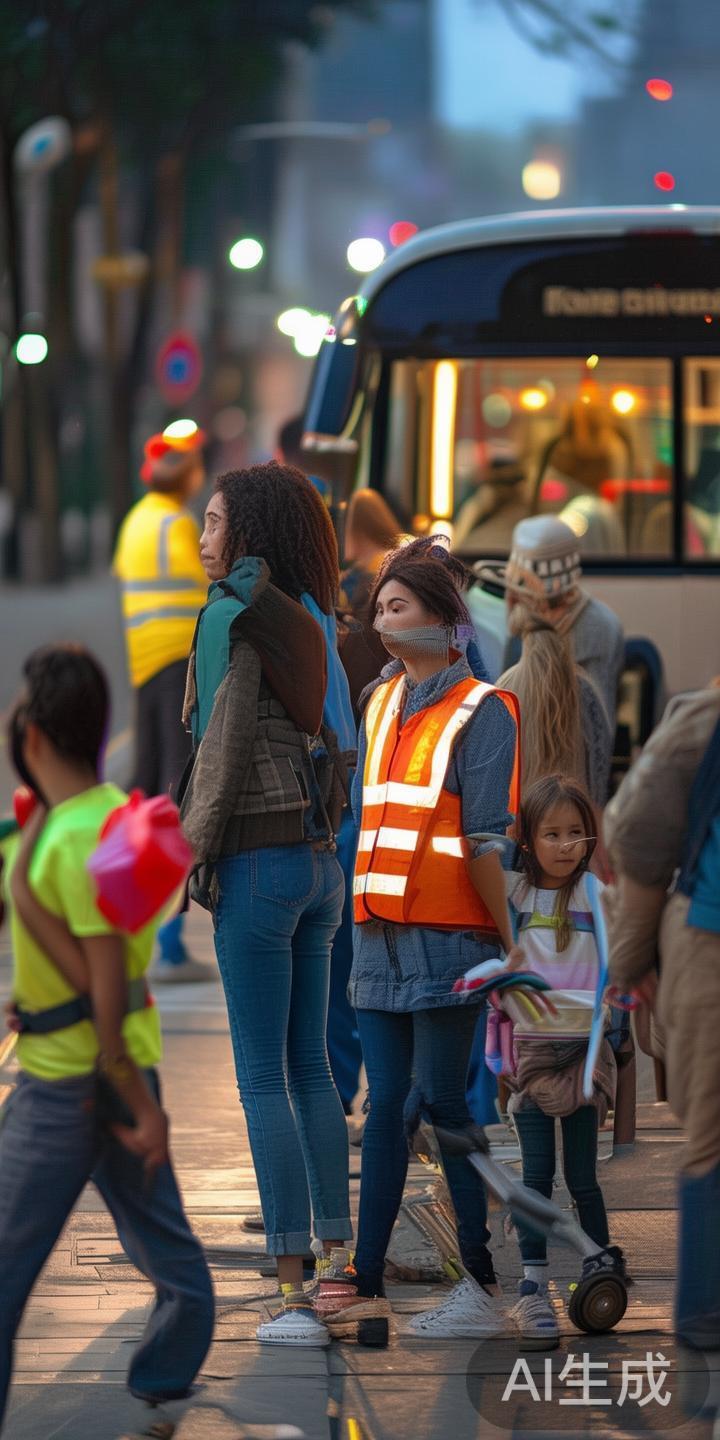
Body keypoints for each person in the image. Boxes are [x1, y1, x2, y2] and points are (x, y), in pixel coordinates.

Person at [324, 540, 547, 1341]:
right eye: (378, 606)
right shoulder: (379, 698)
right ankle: (365, 1277)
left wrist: (512, 944)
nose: (380, 619)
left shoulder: (484, 710)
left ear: (445, 621)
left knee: (444, 1104)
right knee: (387, 1107)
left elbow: (488, 841)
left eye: (397, 606)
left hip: (451, 943)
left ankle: (481, 1283)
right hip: (380, 939)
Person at [0, 645, 214, 1438]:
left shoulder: (64, 842)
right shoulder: (91, 820)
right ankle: (161, 1379)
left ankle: (162, 1382)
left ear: (32, 734)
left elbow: (101, 997)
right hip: (111, 1079)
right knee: (167, 1247)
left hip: (75, 1089)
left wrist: (138, 1107)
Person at [179, 462, 353, 1347]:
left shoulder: (233, 617)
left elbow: (223, 740)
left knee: (261, 1078)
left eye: (212, 524)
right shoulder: (310, 615)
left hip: (258, 863)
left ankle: (291, 1295)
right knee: (312, 1069)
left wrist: (190, 854)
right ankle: (335, 1271)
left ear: (245, 533)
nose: (202, 539)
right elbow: (338, 741)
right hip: (319, 864)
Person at [604, 681, 720, 1353]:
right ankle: (704, 1312)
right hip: (710, 946)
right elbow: (638, 834)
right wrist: (630, 957)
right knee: (711, 1132)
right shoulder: (708, 720)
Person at [503, 774, 621, 1348]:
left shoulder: (595, 894)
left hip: (585, 1049)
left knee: (581, 1177)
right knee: (534, 1177)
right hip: (530, 1050)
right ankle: (532, 1284)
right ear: (527, 840)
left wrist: (615, 1028)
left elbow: (616, 966)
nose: (566, 844)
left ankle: (598, 1268)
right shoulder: (516, 898)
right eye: (551, 833)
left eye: (576, 832)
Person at [112, 424, 209, 981]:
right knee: (180, 797)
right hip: (178, 665)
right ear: (188, 476)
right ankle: (169, 937)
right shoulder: (175, 522)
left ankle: (132, 926)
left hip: (144, 663)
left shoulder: (135, 521)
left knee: (146, 793)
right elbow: (204, 586)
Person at [474, 515, 625, 724]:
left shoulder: (598, 630)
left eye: (521, 595)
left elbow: (595, 727)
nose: (513, 602)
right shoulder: (527, 623)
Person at [497, 599, 613, 809]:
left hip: (522, 831)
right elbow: (598, 780)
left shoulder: (504, 688)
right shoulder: (586, 691)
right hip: (576, 833)